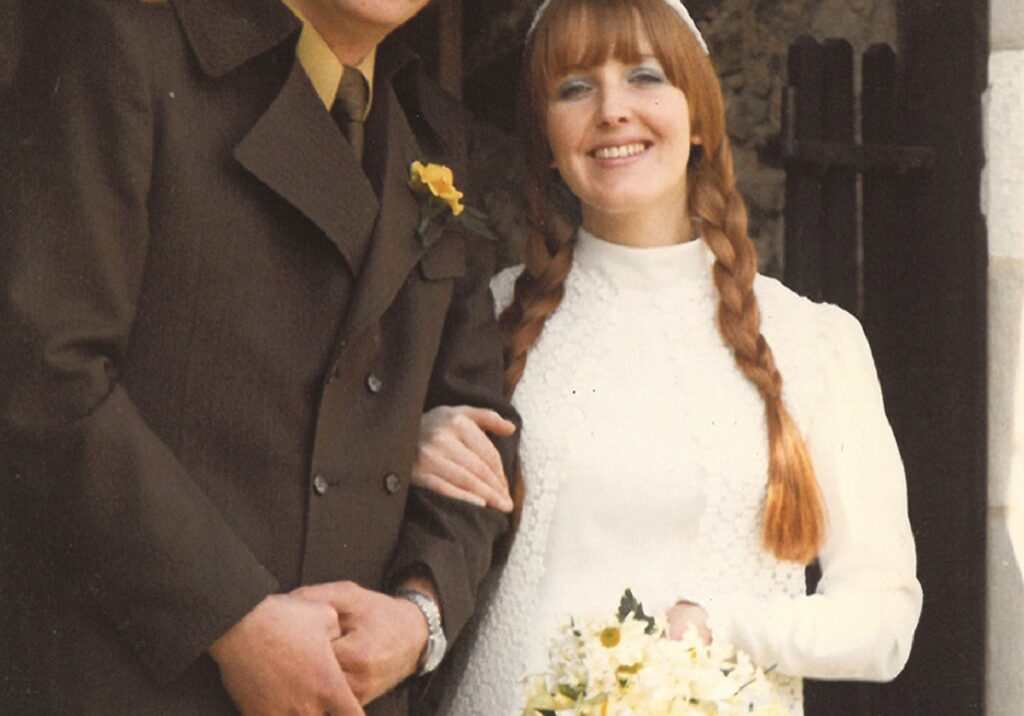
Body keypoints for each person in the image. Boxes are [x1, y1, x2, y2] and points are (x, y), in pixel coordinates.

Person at [0, 0, 517, 714]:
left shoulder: (431, 127)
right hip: (138, 683)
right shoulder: (129, 43)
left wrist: (417, 616)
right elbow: (47, 374)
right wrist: (232, 617)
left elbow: (482, 435)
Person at [408, 0, 923, 713]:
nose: (613, 109)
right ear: (546, 138)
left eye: (646, 76)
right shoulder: (482, 321)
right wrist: (405, 444)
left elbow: (883, 621)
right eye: (575, 87)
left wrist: (721, 628)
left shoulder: (812, 341)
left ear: (702, 117)